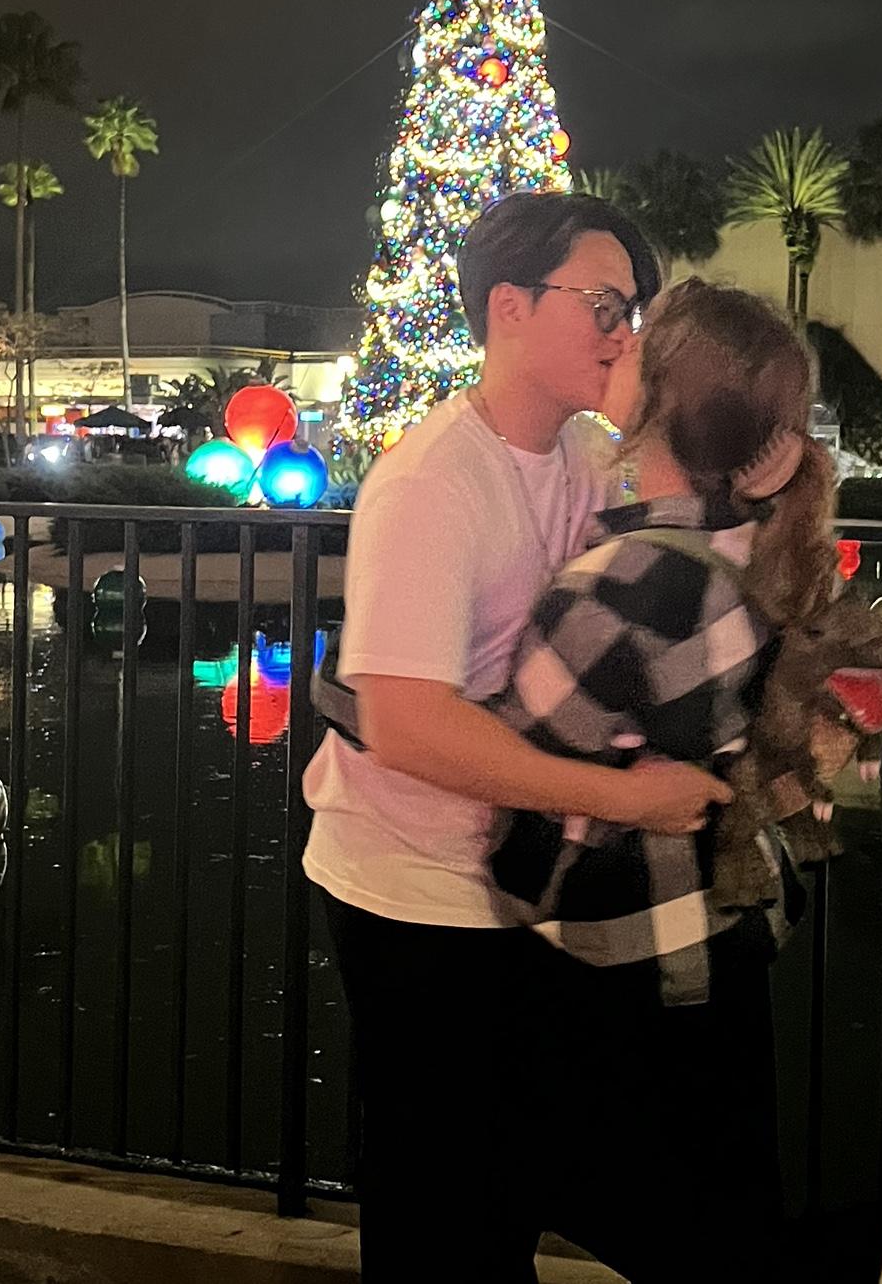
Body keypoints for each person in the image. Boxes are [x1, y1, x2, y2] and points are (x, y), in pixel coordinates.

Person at [301, 192, 728, 1282]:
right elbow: (405, 723)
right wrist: (626, 799)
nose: (623, 334)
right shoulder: (433, 483)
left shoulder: (585, 455)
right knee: (444, 1211)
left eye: (633, 311)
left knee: (524, 1179)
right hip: (416, 889)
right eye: (603, 305)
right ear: (508, 307)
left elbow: (685, 556)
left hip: (524, 878)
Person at [487, 280, 882, 1283]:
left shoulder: (627, 579)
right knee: (725, 1196)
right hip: (727, 919)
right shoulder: (753, 544)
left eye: (632, 342)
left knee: (587, 1189)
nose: (611, 346)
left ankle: (850, 1263)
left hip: (627, 938)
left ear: (660, 399)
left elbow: (524, 746)